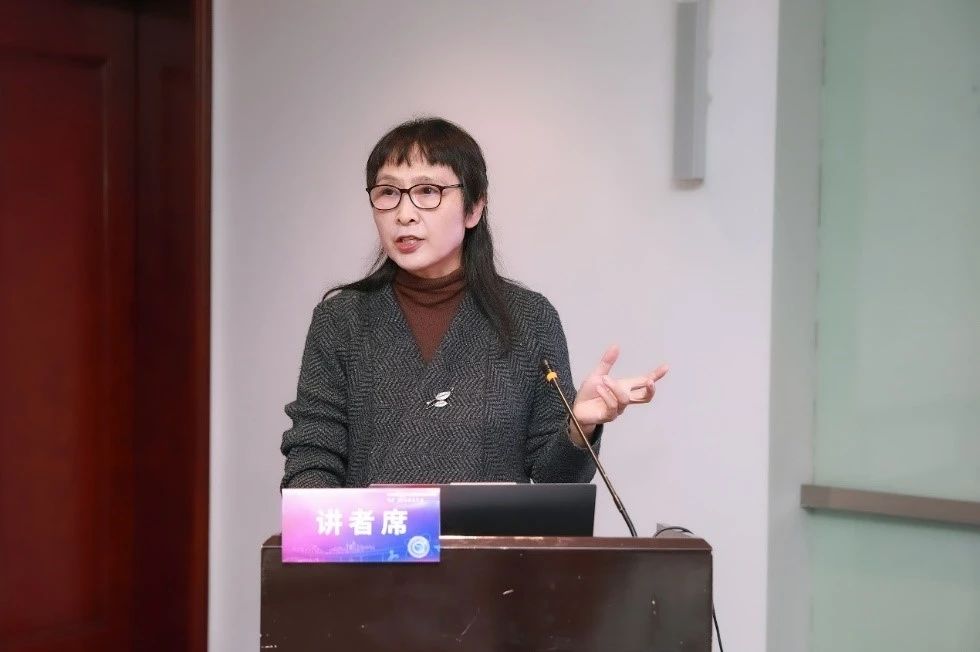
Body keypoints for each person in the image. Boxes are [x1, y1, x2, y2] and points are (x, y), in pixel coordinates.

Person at [280, 117, 667, 489]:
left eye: (427, 191)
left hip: (493, 539)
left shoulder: (529, 318)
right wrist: (321, 524)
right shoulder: (341, 319)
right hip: (379, 537)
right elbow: (312, 459)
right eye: (388, 193)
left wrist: (579, 427)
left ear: (473, 208)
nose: (404, 214)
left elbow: (557, 481)